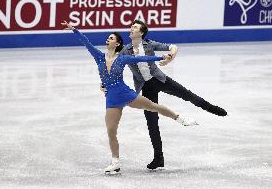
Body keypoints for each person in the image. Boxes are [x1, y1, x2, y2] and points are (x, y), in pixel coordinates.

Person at [61, 21, 198, 174]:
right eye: (108, 38)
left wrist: (160, 57)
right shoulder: (99, 57)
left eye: (111, 38)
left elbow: (142, 59)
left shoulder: (122, 58)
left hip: (126, 94)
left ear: (118, 43)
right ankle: (115, 162)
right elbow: (85, 42)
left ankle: (181, 119)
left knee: (154, 107)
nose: (108, 40)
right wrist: (74, 30)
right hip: (112, 99)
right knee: (111, 130)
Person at [101, 20, 227, 170]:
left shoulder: (150, 44)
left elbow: (172, 47)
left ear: (141, 32)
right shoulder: (125, 50)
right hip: (145, 87)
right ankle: (158, 158)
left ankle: (211, 108)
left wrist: (171, 56)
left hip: (160, 80)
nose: (131, 28)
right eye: (132, 27)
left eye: (135, 27)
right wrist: (104, 84)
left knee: (187, 94)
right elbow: (112, 66)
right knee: (152, 123)